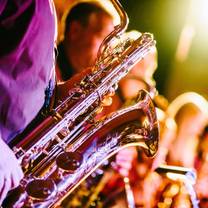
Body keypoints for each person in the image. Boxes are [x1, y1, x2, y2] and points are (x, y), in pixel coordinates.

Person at [55, 2, 115, 82]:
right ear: (75, 31)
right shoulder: (47, 71)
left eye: (110, 41)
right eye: (104, 38)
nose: (109, 50)